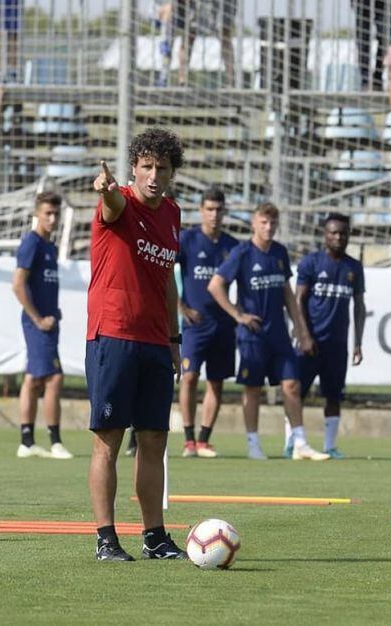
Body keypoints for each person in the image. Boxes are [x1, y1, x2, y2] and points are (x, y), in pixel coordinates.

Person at [86, 127, 188, 562]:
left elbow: (167, 282)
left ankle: (155, 538)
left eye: (161, 168)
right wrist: (107, 190)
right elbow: (111, 207)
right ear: (134, 169)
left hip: (153, 342)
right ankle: (106, 538)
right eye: (146, 166)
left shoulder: (173, 214)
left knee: (154, 442)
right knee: (108, 440)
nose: (152, 175)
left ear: (170, 173)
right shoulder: (118, 202)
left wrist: (174, 338)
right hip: (113, 335)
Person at [208, 202, 328, 461]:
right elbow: (215, 285)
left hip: (279, 335)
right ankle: (253, 443)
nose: (268, 227)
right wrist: (237, 315)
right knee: (253, 389)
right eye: (263, 222)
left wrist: (301, 329)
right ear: (253, 223)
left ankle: (300, 443)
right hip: (252, 335)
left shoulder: (280, 253)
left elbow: (287, 292)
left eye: (273, 222)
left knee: (292, 385)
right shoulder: (242, 253)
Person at [291, 213, 366, 459]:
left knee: (333, 396)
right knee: (296, 392)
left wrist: (357, 342)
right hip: (310, 342)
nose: (338, 237)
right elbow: (298, 300)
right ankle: (293, 443)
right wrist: (304, 335)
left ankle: (330, 446)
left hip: (336, 344)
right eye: (333, 232)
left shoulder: (353, 267)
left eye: (343, 233)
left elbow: (359, 305)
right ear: (325, 235)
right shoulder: (311, 263)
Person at [177, 187, 239, 458]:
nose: (214, 215)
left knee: (216, 382)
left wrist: (238, 313)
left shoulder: (233, 246)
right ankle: (188, 439)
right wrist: (181, 308)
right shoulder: (187, 240)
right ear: (201, 211)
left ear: (224, 212)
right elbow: (165, 274)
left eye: (219, 209)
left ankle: (204, 439)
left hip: (224, 325)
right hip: (195, 324)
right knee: (188, 377)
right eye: (209, 209)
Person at [12, 191, 73, 460]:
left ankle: (27, 441)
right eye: (47, 213)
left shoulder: (50, 246)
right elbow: (17, 284)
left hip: (49, 322)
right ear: (36, 214)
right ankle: (55, 441)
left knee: (33, 378)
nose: (52, 218)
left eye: (56, 214)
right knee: (54, 378)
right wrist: (37, 318)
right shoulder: (32, 243)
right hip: (38, 324)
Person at [143, 0, 179, 87]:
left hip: (168, 16)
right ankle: (163, 42)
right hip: (154, 13)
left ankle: (163, 78)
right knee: (159, 45)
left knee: (166, 49)